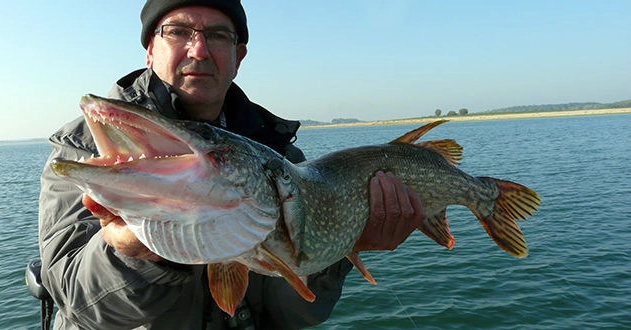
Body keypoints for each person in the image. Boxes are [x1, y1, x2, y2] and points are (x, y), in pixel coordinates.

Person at [38, 1, 425, 329]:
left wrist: (342, 246)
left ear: (238, 56)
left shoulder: (279, 160)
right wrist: (131, 253)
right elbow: (79, 303)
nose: (199, 50)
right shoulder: (86, 147)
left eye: (218, 35)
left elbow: (295, 314)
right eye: (177, 31)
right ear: (150, 50)